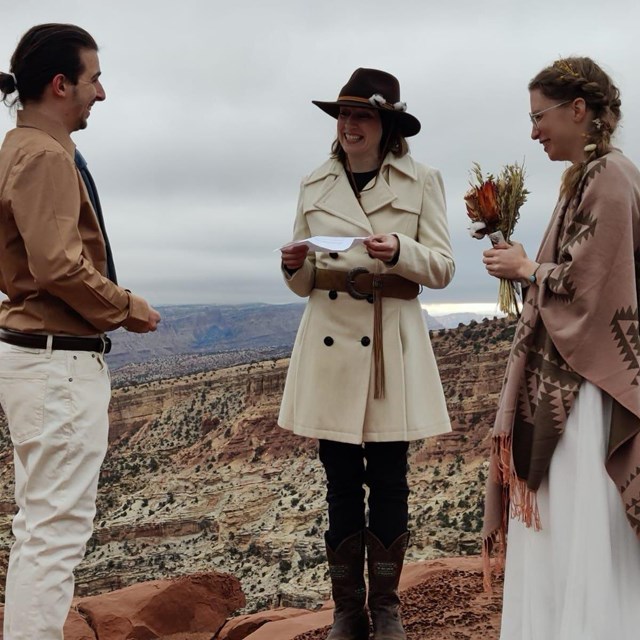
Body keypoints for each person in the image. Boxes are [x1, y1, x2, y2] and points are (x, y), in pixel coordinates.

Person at [278, 68, 454, 640]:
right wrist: (292, 267)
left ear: (386, 126)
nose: (350, 125)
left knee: (390, 476)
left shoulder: (422, 180)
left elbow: (444, 268)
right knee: (338, 480)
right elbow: (304, 283)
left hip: (389, 343)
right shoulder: (313, 184)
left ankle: (386, 608)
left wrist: (401, 250)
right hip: (330, 338)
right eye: (344, 116)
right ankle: (346, 611)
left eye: (363, 116)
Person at [0, 24, 161, 640]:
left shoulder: (23, 146)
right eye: (94, 79)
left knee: (38, 528)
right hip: (55, 364)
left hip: (39, 361)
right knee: (55, 532)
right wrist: (126, 307)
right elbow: (57, 264)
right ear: (61, 84)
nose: (102, 92)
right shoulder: (43, 155)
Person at [482, 57, 640, 639]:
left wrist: (527, 267)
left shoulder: (610, 177)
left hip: (587, 388)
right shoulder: (590, 176)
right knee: (568, 527)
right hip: (575, 382)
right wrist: (528, 267)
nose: (533, 131)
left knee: (581, 525)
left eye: (539, 116)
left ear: (579, 109)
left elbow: (596, 286)